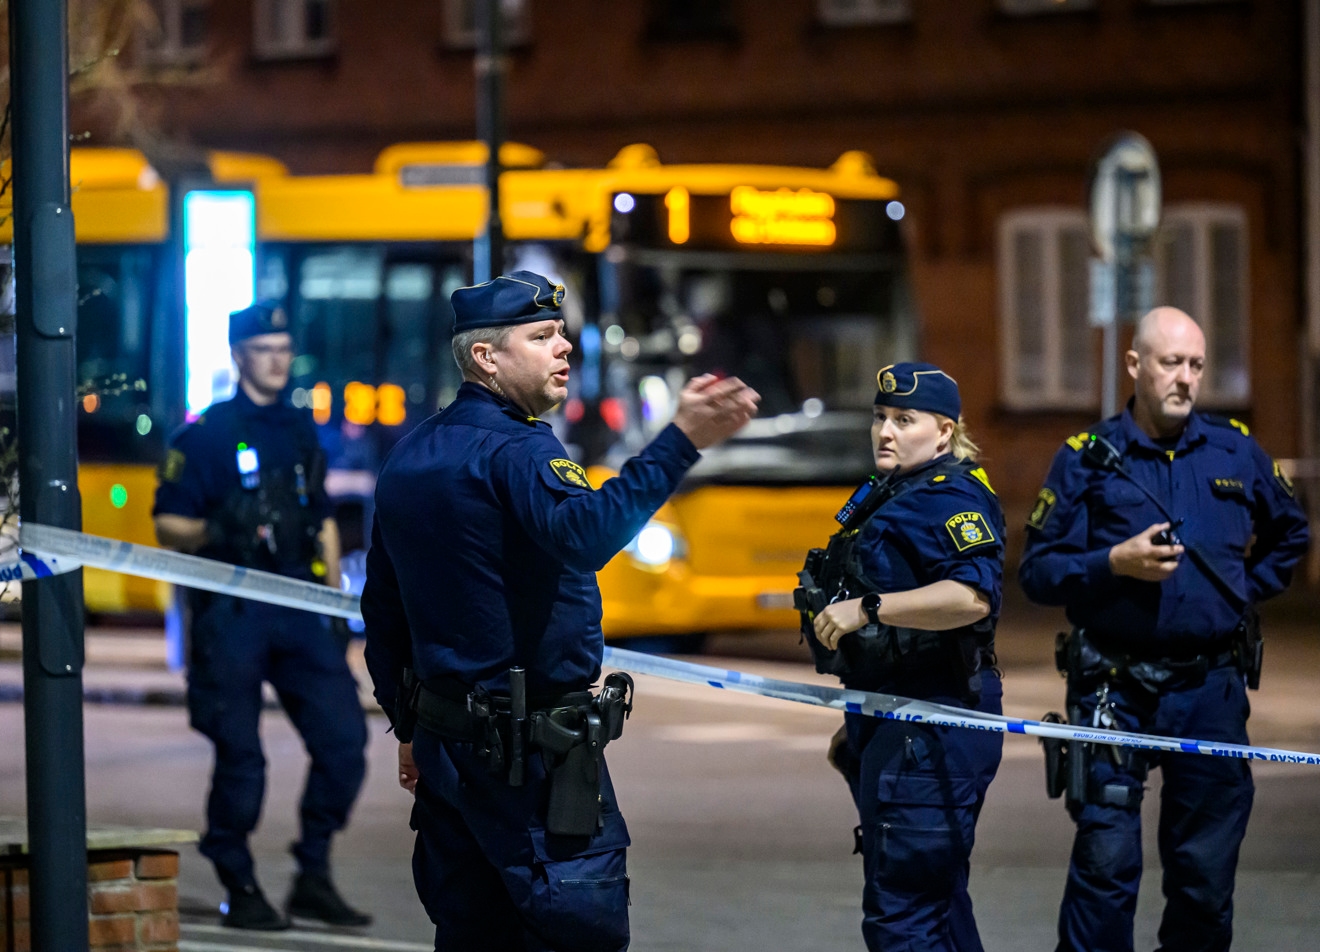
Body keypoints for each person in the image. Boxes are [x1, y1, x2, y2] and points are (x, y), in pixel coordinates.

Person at [361, 270, 759, 951]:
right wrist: (680, 440)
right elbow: (590, 535)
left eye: (562, 334)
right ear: (486, 357)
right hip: (530, 763)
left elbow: (384, 611)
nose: (564, 348)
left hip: (448, 755)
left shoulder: (411, 454)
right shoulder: (516, 450)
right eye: (541, 336)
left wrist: (408, 725)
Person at [1019, 306, 1309, 952]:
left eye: (1196, 365)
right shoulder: (1087, 460)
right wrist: (1112, 563)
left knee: (1204, 880)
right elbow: (1037, 572)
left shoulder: (1237, 450)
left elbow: (1292, 533)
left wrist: (1238, 594)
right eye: (1170, 362)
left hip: (1211, 690)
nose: (1185, 378)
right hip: (1112, 690)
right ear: (1135, 365)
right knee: (1104, 869)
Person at [153, 302, 371, 931]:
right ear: (238, 355)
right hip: (233, 610)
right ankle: (238, 879)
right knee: (242, 758)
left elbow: (322, 519)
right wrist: (220, 526)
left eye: (284, 348)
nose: (278, 359)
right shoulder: (206, 435)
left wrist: (334, 605)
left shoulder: (301, 430)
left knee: (344, 744)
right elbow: (167, 521)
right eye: (265, 348)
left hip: (300, 608)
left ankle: (313, 872)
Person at [803, 362, 1005, 952]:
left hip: (933, 717)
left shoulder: (951, 496)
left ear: (944, 432)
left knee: (904, 918)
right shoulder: (898, 490)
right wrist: (863, 726)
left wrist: (868, 608)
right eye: (880, 417)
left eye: (904, 420)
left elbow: (971, 597)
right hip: (895, 716)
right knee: (937, 906)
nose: (886, 431)